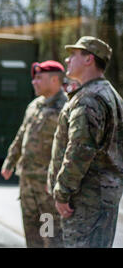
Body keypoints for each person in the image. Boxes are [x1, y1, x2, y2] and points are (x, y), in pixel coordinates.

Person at [48, 36, 123, 248]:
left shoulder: (89, 98)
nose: (67, 59)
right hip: (102, 196)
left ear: (89, 59)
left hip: (86, 199)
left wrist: (63, 192)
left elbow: (80, 150)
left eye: (74, 54)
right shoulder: (111, 95)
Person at [1, 60, 67, 248]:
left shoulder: (66, 108)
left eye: (39, 78)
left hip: (47, 189)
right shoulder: (34, 105)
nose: (34, 82)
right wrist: (9, 162)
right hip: (27, 184)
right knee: (31, 235)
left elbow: (70, 149)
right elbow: (22, 135)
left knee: (50, 237)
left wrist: (60, 183)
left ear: (55, 80)